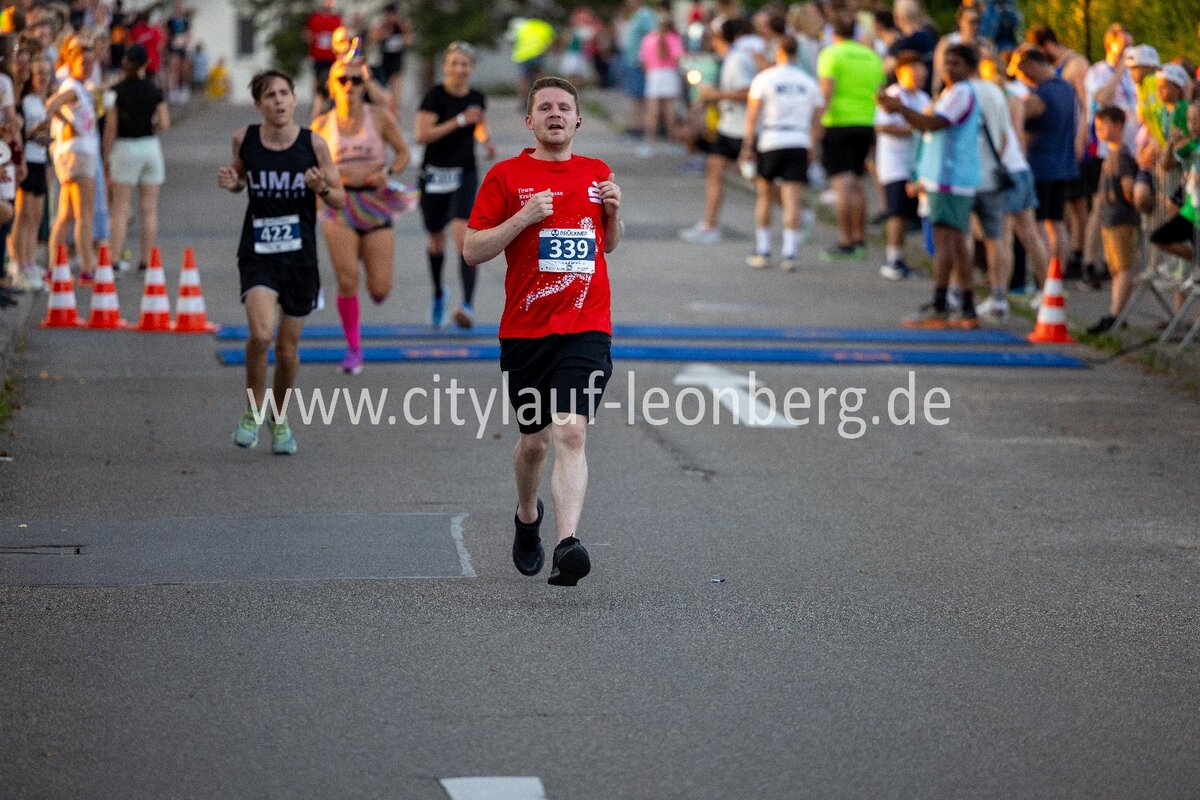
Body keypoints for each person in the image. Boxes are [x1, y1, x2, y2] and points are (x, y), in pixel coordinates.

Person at [463, 76, 623, 587]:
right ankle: (527, 516)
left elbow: (607, 245)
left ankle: (566, 543)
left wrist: (614, 213)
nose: (556, 114)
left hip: (586, 325)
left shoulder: (597, 172)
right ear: (529, 120)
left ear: (578, 120)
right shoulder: (506, 176)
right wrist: (522, 219)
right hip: (526, 331)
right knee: (533, 442)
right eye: (546, 107)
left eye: (565, 108)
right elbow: (472, 249)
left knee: (571, 431)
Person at [218, 69, 344, 455]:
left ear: (294, 98)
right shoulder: (244, 139)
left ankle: (279, 415)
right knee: (260, 334)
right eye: (270, 95)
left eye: (284, 93)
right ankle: (252, 412)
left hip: (300, 257)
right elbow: (241, 178)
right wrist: (234, 182)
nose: (278, 101)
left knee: (287, 350)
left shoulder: (314, 144)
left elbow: (339, 199)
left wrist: (321, 187)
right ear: (259, 104)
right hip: (258, 251)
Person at [312, 56, 410, 375]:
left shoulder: (379, 117)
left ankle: (368, 260)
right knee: (347, 279)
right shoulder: (321, 126)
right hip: (339, 205)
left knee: (380, 289)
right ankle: (354, 348)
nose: (350, 86)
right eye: (343, 80)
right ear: (331, 86)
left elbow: (404, 153)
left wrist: (388, 172)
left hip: (375, 203)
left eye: (356, 80)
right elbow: (308, 170)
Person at [878, 43, 982, 329]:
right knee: (956, 243)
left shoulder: (961, 93)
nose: (949, 68)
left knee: (946, 242)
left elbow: (932, 124)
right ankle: (965, 306)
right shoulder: (951, 93)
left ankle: (941, 304)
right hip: (949, 176)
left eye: (956, 63)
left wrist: (900, 109)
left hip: (949, 178)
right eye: (946, 62)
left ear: (970, 68)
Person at [415, 41, 497, 329]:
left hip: (464, 173)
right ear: (445, 67)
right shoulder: (435, 96)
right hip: (434, 174)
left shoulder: (477, 97)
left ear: (472, 68)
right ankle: (439, 293)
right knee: (436, 240)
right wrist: (460, 120)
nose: (459, 69)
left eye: (465, 64)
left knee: (464, 240)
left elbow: (480, 124)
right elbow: (422, 134)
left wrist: (486, 141)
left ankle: (467, 306)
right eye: (454, 64)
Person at [740, 34, 822, 271]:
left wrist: (747, 145)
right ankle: (789, 253)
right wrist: (812, 143)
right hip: (798, 139)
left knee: (765, 195)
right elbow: (818, 117)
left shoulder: (765, 78)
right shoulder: (808, 81)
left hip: (771, 138)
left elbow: (752, 115)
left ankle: (763, 249)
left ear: (778, 52)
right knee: (792, 198)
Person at [678, 17, 755, 244]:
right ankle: (709, 225)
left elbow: (749, 93)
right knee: (714, 169)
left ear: (718, 37)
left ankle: (799, 214)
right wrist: (709, 98)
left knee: (760, 180)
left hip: (742, 128)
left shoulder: (737, 60)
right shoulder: (727, 58)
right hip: (727, 126)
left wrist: (717, 95)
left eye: (711, 35)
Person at [1012, 45, 1080, 296]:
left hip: (1040, 167)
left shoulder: (1041, 94)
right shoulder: (1066, 88)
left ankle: (1045, 281)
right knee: (1057, 224)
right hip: (1063, 165)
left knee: (1039, 226)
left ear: (1031, 65)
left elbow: (1021, 115)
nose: (1021, 78)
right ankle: (1057, 278)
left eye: (1021, 71)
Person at [817, 10, 885, 261]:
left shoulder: (831, 54)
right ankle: (859, 239)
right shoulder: (872, 56)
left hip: (838, 123)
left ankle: (846, 241)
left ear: (833, 32)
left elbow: (826, 92)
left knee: (842, 184)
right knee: (857, 182)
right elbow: (880, 91)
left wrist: (816, 125)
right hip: (866, 123)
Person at [104, 43, 168, 276]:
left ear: (125, 63)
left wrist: (105, 156)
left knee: (120, 208)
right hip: (150, 147)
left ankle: (113, 260)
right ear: (146, 64)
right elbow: (164, 123)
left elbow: (111, 128)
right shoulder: (155, 90)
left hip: (125, 147)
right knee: (149, 209)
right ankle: (146, 261)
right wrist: (149, 123)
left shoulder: (115, 91)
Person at [43, 33, 98, 283]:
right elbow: (51, 105)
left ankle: (54, 267)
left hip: (72, 154)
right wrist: (69, 124)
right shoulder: (73, 88)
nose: (88, 67)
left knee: (65, 213)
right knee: (84, 214)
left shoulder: (80, 88)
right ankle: (88, 266)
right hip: (79, 154)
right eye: (83, 63)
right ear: (72, 63)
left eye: (91, 63)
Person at [874, 51, 929, 279]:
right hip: (895, 163)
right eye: (913, 69)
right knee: (896, 212)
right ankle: (893, 259)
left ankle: (903, 258)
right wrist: (913, 128)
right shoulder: (893, 95)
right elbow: (882, 126)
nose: (919, 74)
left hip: (917, 165)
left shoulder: (923, 98)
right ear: (900, 72)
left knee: (909, 213)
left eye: (921, 69)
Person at [1087, 106, 1139, 334]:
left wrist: (1127, 201)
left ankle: (1115, 314)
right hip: (1110, 218)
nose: (1099, 131)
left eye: (1103, 126)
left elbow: (1128, 186)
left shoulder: (1122, 156)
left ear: (1118, 126)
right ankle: (1117, 312)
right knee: (1115, 268)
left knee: (1123, 267)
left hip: (1120, 218)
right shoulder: (1111, 154)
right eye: (1097, 127)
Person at [12, 55, 51, 292]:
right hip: (27, 159)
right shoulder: (26, 101)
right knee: (23, 215)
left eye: (47, 73)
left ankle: (30, 261)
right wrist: (36, 131)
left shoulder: (41, 101)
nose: (43, 78)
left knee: (36, 215)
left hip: (40, 158)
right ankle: (19, 264)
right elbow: (21, 134)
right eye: (40, 74)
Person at [637, 7, 683, 159]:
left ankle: (648, 144)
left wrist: (650, 72)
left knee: (652, 112)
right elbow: (678, 58)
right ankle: (672, 143)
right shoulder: (674, 38)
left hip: (654, 75)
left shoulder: (648, 38)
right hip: (669, 74)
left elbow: (642, 60)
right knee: (670, 111)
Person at [369, 2, 412, 119]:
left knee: (396, 87)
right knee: (382, 87)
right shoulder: (383, 25)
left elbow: (409, 38)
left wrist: (402, 38)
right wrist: (385, 33)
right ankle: (385, 109)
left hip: (396, 60)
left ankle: (394, 111)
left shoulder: (401, 25)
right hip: (383, 60)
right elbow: (373, 37)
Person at [305, 0, 341, 115]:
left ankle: (332, 102)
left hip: (332, 57)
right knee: (318, 81)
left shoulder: (336, 19)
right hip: (319, 56)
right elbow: (308, 34)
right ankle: (317, 104)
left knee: (333, 80)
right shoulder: (315, 18)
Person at [165, 1, 191, 103]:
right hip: (173, 47)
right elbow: (167, 33)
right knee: (173, 68)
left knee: (183, 68)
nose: (180, 9)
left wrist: (185, 41)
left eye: (181, 7)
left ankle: (182, 89)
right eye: (178, 7)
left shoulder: (185, 21)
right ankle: (172, 90)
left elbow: (189, 34)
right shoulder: (170, 21)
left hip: (182, 48)